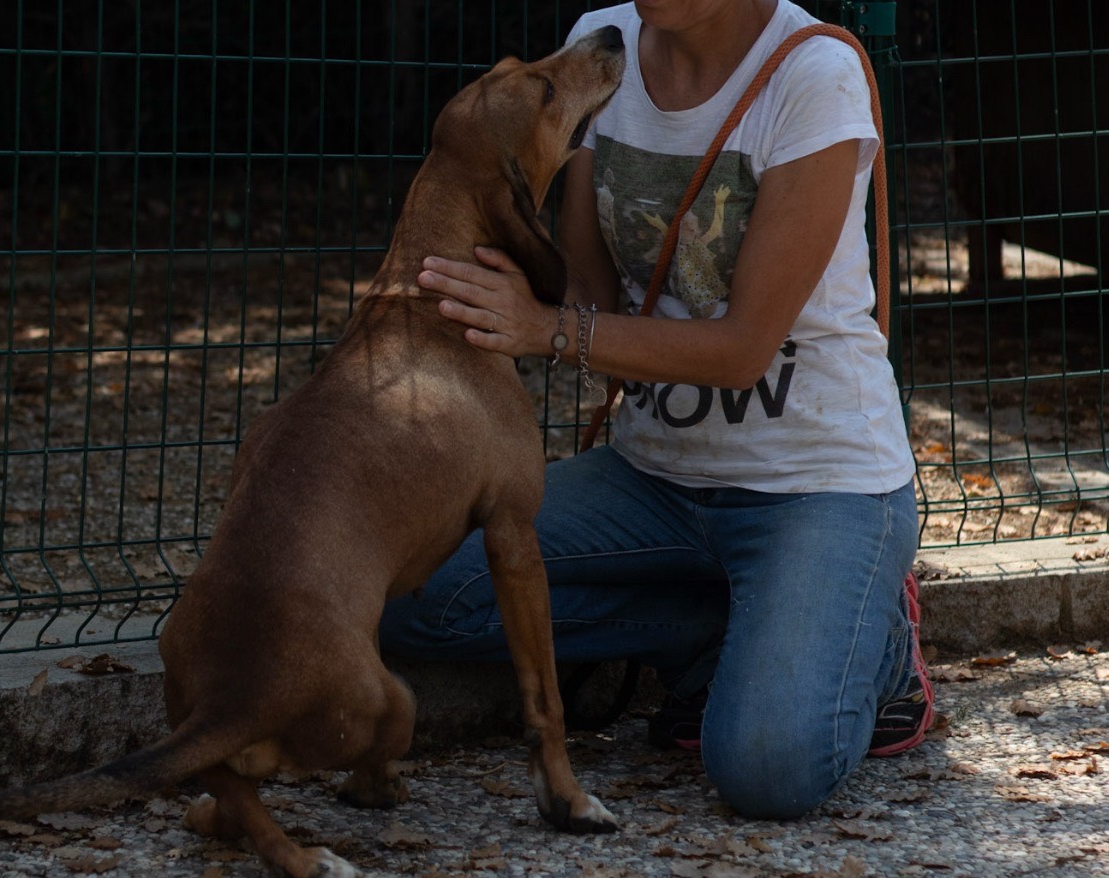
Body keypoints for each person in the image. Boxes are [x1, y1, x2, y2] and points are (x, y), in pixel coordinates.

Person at [380, 0, 932, 820]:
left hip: (818, 482)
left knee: (768, 770)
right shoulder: (601, 45)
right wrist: (488, 281)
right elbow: (591, 296)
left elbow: (743, 351)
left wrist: (545, 329)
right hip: (652, 477)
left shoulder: (814, 72)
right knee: (409, 594)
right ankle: (712, 630)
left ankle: (881, 644)